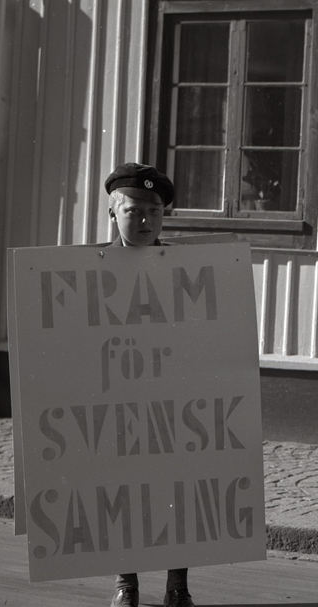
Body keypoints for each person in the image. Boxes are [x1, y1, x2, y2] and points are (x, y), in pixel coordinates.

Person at [102, 162, 193, 607]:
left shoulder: (187, 269)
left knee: (178, 489)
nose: (145, 221)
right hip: (116, 398)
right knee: (123, 490)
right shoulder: (88, 271)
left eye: (154, 212)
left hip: (172, 398)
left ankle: (178, 584)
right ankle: (126, 582)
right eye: (134, 211)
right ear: (113, 213)